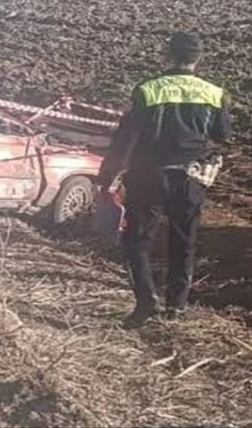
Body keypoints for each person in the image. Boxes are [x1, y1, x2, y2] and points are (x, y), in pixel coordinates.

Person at [96, 32, 231, 328]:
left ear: (167, 55)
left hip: (149, 177)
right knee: (185, 242)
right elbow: (223, 135)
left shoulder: (147, 90)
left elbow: (125, 141)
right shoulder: (214, 92)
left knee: (137, 241)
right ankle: (177, 307)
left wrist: (107, 176)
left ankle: (147, 302)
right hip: (192, 177)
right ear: (199, 58)